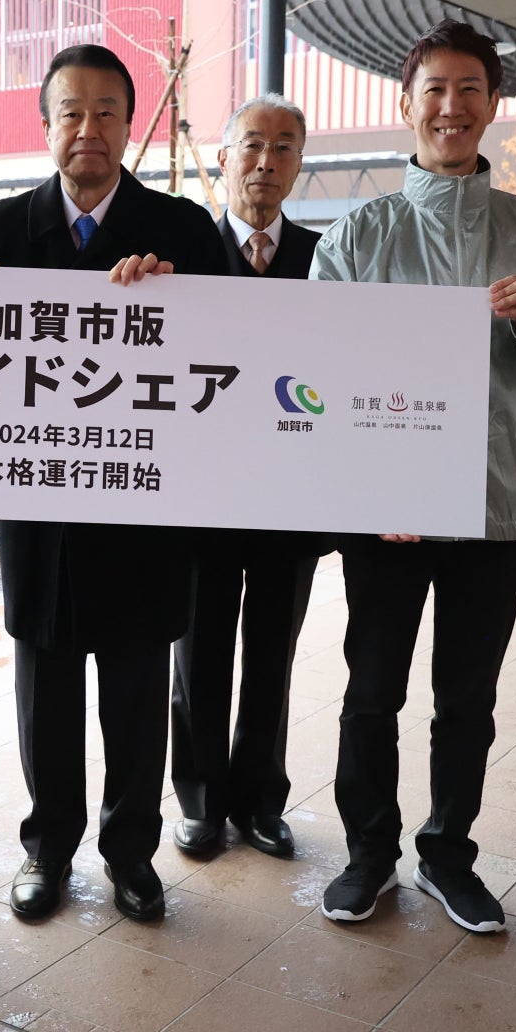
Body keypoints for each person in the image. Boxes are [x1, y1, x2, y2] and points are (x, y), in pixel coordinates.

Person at [312, 19, 516, 934]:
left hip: (501, 502)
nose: (451, 107)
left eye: (470, 91)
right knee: (372, 689)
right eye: (435, 90)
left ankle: (449, 856)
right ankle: (369, 855)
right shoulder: (361, 233)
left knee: (469, 699)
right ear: (409, 103)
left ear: (493, 106)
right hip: (388, 515)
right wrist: (372, 487)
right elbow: (315, 372)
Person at [0, 44, 226, 923]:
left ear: (129, 123)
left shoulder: (184, 232)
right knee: (44, 690)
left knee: (136, 692)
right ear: (46, 127)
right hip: (40, 511)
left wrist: (177, 298)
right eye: (70, 111)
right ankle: (49, 853)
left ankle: (132, 854)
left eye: (108, 110)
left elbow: (227, 358)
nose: (89, 128)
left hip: (146, 508)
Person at [171, 95, 331, 863]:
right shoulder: (180, 253)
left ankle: (261, 801)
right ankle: (200, 803)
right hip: (200, 498)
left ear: (300, 163)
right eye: (253, 146)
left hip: (290, 497)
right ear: (225, 155)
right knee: (198, 652)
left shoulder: (327, 259)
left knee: (273, 653)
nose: (267, 162)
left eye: (285, 148)